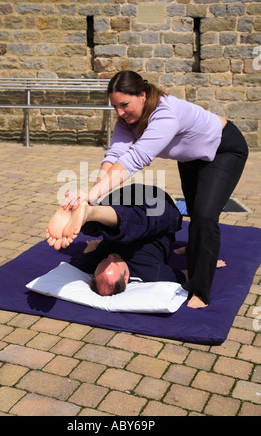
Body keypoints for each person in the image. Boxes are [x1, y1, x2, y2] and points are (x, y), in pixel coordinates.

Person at [47, 70, 248, 308]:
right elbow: (116, 155)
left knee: (205, 215)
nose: (120, 113)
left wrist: (91, 196)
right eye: (115, 107)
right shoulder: (127, 121)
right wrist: (92, 197)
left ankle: (200, 290)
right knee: (194, 208)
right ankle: (198, 249)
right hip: (190, 159)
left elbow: (135, 158)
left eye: (124, 105)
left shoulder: (165, 113)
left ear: (142, 95)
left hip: (223, 151)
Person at [48, 184, 187, 296]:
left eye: (104, 261)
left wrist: (92, 245)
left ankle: (87, 214)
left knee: (94, 228)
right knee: (135, 225)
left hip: (122, 198)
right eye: (113, 262)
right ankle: (90, 212)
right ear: (126, 279)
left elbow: (90, 247)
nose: (109, 256)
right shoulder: (151, 273)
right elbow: (187, 275)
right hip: (156, 205)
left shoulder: (91, 265)